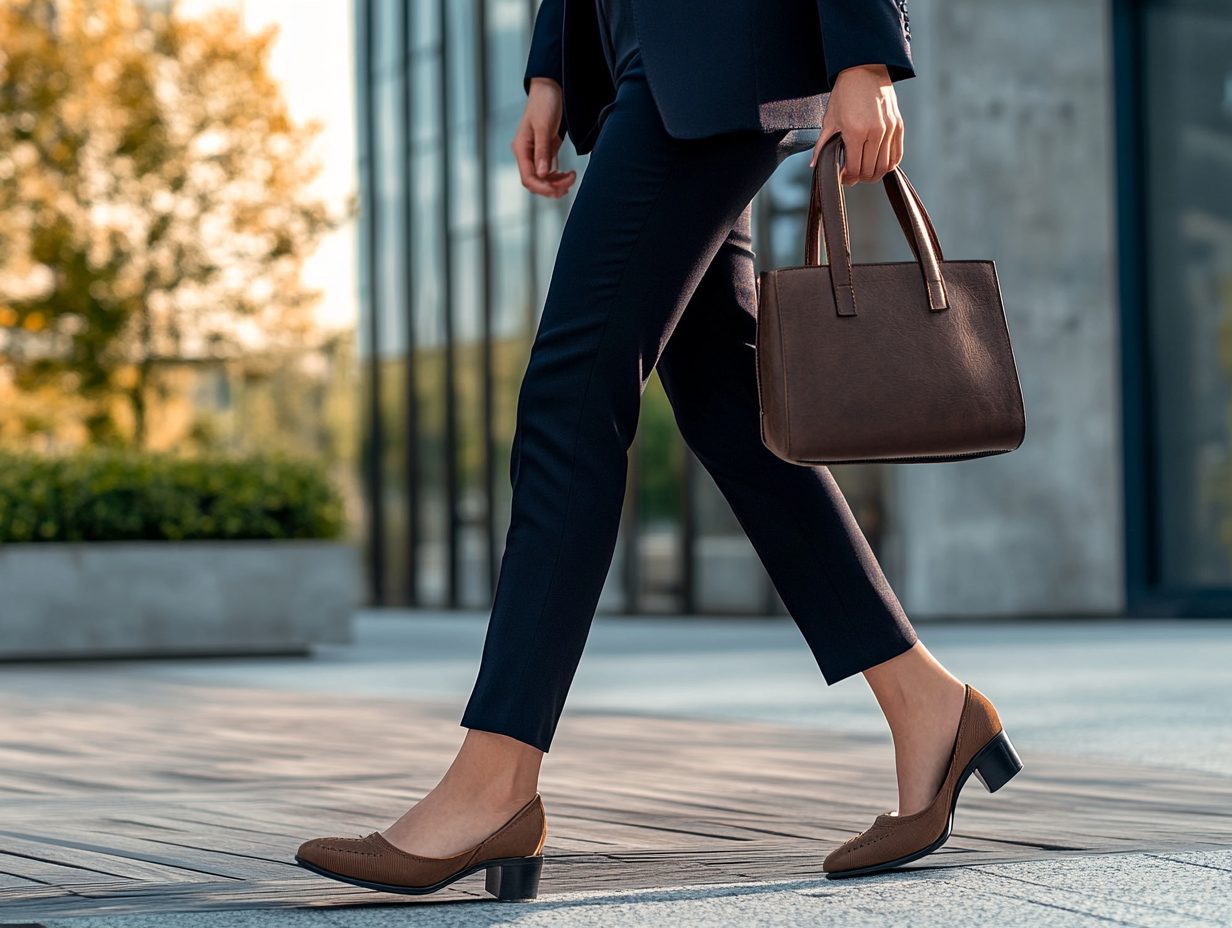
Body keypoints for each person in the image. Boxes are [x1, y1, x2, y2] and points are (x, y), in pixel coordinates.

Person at [296, 0, 1022, 899]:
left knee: (571, 394)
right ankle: (930, 707)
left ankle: (495, 780)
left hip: (727, 44)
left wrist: (866, 55)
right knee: (729, 406)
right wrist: (552, 70)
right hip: (649, 54)